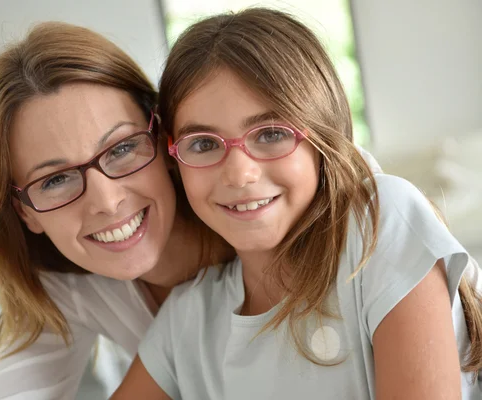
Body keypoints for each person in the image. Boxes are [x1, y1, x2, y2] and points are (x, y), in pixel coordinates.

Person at [112, 8, 482, 400]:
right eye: (203, 143)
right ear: (174, 158)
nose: (239, 174)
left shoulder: (379, 222)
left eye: (271, 134)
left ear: (322, 137)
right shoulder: (188, 320)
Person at [0, 22, 236, 399]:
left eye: (122, 148)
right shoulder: (66, 286)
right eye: (55, 179)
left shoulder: (254, 225)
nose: (106, 202)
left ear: (162, 137)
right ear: (26, 212)